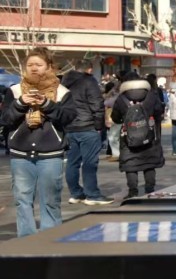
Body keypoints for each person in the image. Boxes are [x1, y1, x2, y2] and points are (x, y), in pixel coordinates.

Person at [2, 47, 77, 236]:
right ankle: (26, 241)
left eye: (39, 65)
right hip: (21, 154)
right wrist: (20, 104)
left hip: (50, 154)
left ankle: (49, 240)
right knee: (22, 201)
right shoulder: (15, 90)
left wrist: (46, 104)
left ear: (49, 67)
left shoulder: (62, 92)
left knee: (51, 201)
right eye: (30, 65)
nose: (34, 68)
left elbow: (68, 117)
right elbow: (5, 119)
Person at [61, 59, 112, 205]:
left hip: (70, 127)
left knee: (72, 162)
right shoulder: (89, 82)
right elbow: (97, 104)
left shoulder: (65, 82)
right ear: (89, 70)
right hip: (87, 126)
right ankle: (92, 194)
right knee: (90, 162)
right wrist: (98, 126)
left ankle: (76, 193)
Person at [111, 74, 165, 197]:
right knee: (149, 163)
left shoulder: (121, 98)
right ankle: (150, 188)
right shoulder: (151, 96)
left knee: (131, 163)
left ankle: (133, 191)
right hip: (149, 135)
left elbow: (115, 118)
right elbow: (159, 112)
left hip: (128, 137)